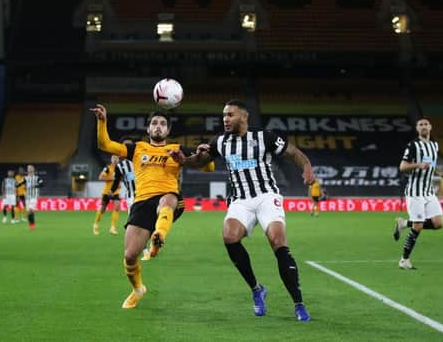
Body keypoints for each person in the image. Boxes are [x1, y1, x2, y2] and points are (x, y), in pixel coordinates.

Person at [170, 99, 315, 322]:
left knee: (278, 241)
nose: (225, 119)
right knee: (229, 236)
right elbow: (199, 161)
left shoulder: (264, 136)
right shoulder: (220, 141)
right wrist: (184, 159)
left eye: (230, 115)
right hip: (240, 200)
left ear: (244, 117)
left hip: (266, 196)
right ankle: (257, 289)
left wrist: (306, 167)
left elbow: (293, 152)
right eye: (224, 115)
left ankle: (299, 303)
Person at [90, 103, 212, 309]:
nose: (158, 126)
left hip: (168, 197)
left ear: (168, 130)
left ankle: (159, 236)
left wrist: (202, 155)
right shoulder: (137, 148)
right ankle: (138, 289)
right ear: (148, 129)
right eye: (154, 123)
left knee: (168, 200)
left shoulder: (176, 149)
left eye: (163, 124)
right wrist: (102, 121)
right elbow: (105, 145)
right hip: (141, 203)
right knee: (129, 256)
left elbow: (209, 167)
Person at [392, 117, 443, 269]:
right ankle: (404, 260)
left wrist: (440, 174)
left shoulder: (434, 145)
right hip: (415, 192)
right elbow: (402, 167)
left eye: (426, 124)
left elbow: (430, 163)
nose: (424, 127)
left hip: (428, 191)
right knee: (418, 226)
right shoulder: (413, 145)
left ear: (430, 127)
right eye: (420, 125)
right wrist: (418, 164)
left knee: (438, 223)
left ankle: (404, 223)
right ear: (417, 129)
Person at [92, 155, 122, 236]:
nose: (115, 160)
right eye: (114, 159)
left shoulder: (120, 169)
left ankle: (112, 227)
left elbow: (119, 178)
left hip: (115, 191)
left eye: (117, 159)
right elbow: (101, 177)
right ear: (111, 160)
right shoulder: (108, 168)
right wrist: (110, 178)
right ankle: (95, 224)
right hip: (107, 192)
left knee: (117, 207)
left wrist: (119, 183)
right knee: (102, 209)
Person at [24, 164, 43, 230]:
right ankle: (32, 224)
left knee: (30, 210)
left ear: (33, 169)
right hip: (27, 197)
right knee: (30, 212)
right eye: (28, 168)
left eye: (30, 168)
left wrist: (35, 186)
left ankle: (32, 225)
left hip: (33, 197)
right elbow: (20, 184)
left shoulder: (37, 178)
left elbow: (42, 184)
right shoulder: (25, 178)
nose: (29, 169)